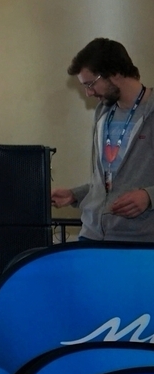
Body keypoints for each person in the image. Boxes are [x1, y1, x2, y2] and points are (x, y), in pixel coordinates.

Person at [52, 39, 154, 242]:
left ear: (115, 73)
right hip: (91, 236)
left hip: (138, 241)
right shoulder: (103, 112)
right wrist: (75, 194)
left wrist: (149, 196)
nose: (89, 93)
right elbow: (110, 183)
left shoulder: (150, 111)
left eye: (90, 84)